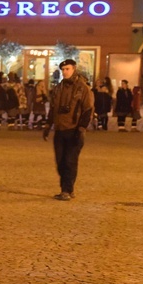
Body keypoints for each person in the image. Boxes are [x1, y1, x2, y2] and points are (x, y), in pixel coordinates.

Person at [42, 59, 94, 201]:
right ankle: (66, 188)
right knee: (60, 162)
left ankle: (67, 190)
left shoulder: (82, 88)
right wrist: (47, 126)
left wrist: (81, 128)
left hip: (74, 129)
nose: (65, 72)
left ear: (74, 69)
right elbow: (53, 109)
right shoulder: (58, 88)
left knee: (70, 161)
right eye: (63, 69)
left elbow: (88, 109)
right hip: (60, 129)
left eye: (67, 69)